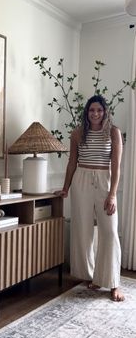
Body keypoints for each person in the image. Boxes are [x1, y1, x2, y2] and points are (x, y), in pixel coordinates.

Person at [55, 94, 124, 301]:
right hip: (81, 180)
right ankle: (92, 276)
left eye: (99, 110)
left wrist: (112, 195)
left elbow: (116, 166)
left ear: (105, 112)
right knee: (83, 229)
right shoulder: (77, 133)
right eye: (92, 110)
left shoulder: (113, 132)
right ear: (87, 112)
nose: (95, 114)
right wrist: (66, 188)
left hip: (104, 180)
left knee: (110, 231)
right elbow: (72, 163)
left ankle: (113, 283)